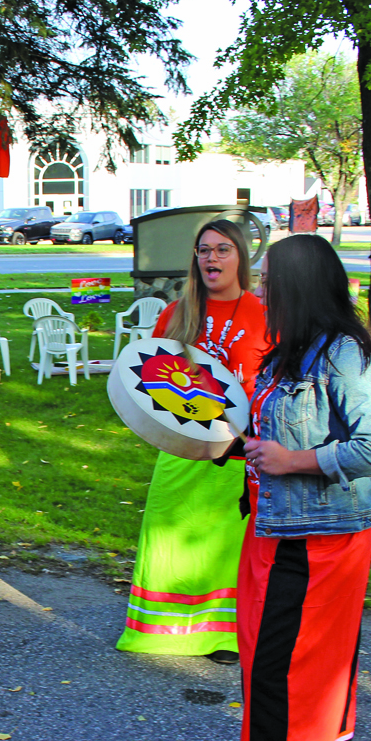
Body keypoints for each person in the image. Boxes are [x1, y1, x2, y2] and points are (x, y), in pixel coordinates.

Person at [226, 233, 371, 741]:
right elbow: (274, 431)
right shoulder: (289, 350)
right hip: (275, 528)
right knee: (298, 659)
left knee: (277, 666)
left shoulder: (344, 354)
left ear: (297, 285)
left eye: (268, 278)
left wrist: (294, 460)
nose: (259, 288)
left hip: (315, 538)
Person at [116, 220, 269, 665]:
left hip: (238, 448)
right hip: (182, 447)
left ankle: (223, 635)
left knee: (226, 543)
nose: (211, 258)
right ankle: (161, 630)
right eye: (203, 250)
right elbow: (151, 378)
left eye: (222, 249)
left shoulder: (263, 314)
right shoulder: (176, 313)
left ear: (240, 257)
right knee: (170, 532)